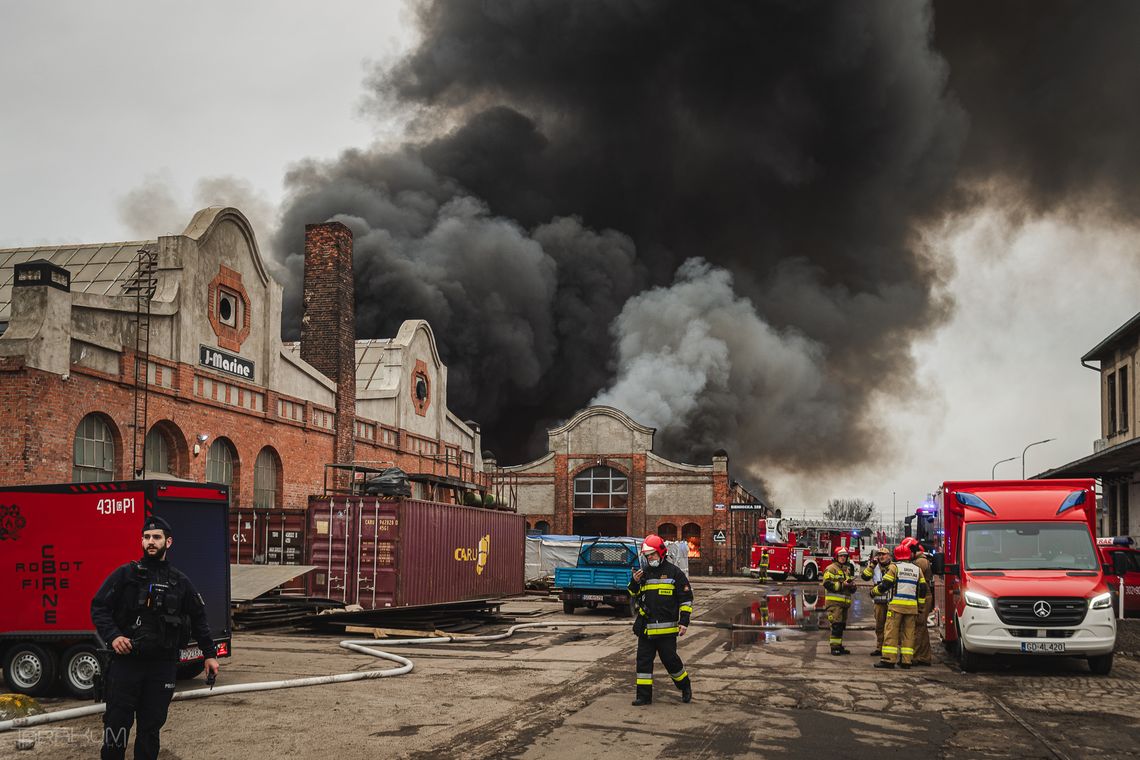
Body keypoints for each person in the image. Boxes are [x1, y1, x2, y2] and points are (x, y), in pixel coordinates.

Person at [91, 515, 220, 760]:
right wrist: (114, 636)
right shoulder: (125, 575)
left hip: (161, 667)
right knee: (116, 727)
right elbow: (99, 607)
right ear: (141, 541)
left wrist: (210, 655)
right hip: (126, 665)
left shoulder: (180, 582)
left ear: (168, 542)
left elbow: (199, 618)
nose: (151, 541)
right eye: (147, 537)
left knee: (150, 731)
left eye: (157, 537)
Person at [628, 533, 693, 706]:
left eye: (653, 555)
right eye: (648, 556)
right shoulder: (644, 573)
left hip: (667, 631)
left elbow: (686, 599)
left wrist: (684, 622)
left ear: (661, 552)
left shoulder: (675, 573)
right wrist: (634, 582)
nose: (651, 558)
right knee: (643, 663)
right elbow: (633, 594)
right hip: (646, 629)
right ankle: (643, 696)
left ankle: (685, 686)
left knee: (671, 661)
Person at [873, 543, 928, 669]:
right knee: (908, 634)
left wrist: (873, 592)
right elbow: (923, 588)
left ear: (896, 555)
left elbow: (885, 585)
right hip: (912, 608)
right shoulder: (917, 569)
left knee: (891, 633)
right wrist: (920, 605)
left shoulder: (894, 567)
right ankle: (906, 661)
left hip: (896, 607)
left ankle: (888, 660)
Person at [904, 537, 935, 666]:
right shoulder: (919, 560)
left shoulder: (920, 562)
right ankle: (924, 656)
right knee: (922, 628)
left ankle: (915, 656)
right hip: (922, 595)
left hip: (923, 596)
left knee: (917, 627)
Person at [821, 546, 856, 655]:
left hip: (844, 604)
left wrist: (852, 586)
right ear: (836, 557)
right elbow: (827, 584)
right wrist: (842, 585)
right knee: (836, 626)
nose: (843, 558)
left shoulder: (846, 570)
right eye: (841, 556)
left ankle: (839, 646)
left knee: (840, 626)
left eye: (844, 556)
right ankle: (834, 647)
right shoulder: (831, 568)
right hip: (834, 604)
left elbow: (848, 587)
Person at [860, 546, 893, 656]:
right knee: (879, 626)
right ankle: (879, 648)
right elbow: (864, 577)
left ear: (889, 556)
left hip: (891, 602)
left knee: (891, 627)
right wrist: (872, 565)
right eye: (879, 555)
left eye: (884, 554)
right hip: (879, 602)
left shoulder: (893, 567)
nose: (881, 557)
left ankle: (890, 648)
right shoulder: (875, 567)